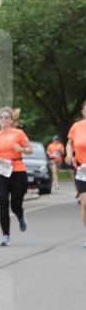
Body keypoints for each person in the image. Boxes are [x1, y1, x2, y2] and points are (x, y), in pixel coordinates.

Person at [0, 107, 32, 246]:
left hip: (17, 171)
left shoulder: (18, 133)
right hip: (1, 171)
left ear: (11, 120)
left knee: (15, 205)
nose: (4, 120)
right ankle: (5, 235)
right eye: (1, 117)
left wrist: (20, 149)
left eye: (6, 117)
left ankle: (20, 216)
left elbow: (29, 150)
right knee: (3, 202)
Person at [66, 99, 86, 247]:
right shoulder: (76, 126)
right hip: (82, 169)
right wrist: (69, 154)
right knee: (85, 204)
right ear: (83, 111)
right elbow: (70, 143)